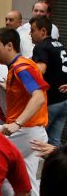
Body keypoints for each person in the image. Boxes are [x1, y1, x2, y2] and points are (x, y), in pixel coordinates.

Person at [0, 27, 48, 196]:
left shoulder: (22, 68)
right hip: (33, 132)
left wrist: (17, 124)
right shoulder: (17, 68)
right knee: (28, 182)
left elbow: (38, 97)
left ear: (9, 46)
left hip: (26, 132)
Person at [30, 15, 67, 145]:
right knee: (54, 141)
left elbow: (41, 69)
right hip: (64, 100)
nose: (30, 33)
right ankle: (57, 165)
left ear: (43, 31)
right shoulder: (59, 45)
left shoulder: (41, 46)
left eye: (33, 30)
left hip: (51, 101)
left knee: (37, 140)